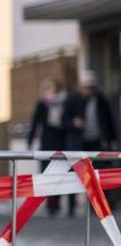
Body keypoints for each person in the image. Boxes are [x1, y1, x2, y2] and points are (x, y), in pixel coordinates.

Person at [29, 78, 83, 217]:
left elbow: (65, 122)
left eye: (52, 89)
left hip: (61, 143)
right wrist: (30, 140)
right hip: (49, 144)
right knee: (50, 174)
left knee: (64, 174)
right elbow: (35, 123)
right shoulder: (43, 104)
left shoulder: (63, 103)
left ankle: (65, 205)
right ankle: (53, 205)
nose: (50, 92)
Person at [80, 74, 119, 212]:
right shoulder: (81, 101)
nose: (86, 90)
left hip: (100, 142)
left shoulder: (101, 100)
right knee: (89, 174)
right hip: (86, 142)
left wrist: (112, 141)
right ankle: (94, 205)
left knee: (102, 173)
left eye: (88, 87)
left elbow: (110, 121)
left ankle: (107, 204)